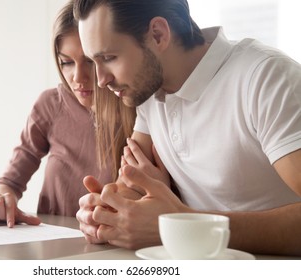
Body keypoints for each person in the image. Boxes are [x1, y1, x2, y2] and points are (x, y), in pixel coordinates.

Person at [73, 0, 301, 256]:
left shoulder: (265, 78)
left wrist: (182, 223)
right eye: (95, 62)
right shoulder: (149, 92)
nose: (101, 80)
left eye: (109, 58)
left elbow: (168, 217)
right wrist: (107, 212)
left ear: (158, 34)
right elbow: (132, 187)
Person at [0, 0, 136, 227]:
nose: (78, 78)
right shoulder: (50, 104)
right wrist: (0, 198)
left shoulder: (139, 109)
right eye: (66, 62)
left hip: (113, 242)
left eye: (89, 62)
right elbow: (9, 181)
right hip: (54, 241)